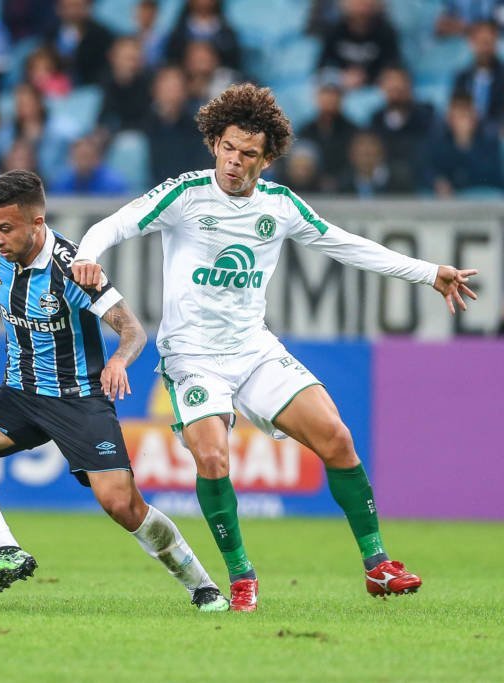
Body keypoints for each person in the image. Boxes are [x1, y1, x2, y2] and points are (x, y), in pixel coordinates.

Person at [70, 83, 477, 611]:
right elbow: (114, 223)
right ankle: (241, 577)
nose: (235, 162)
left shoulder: (280, 205)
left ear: (268, 158)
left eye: (249, 155)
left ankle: (378, 567)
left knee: (336, 437)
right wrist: (88, 256)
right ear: (214, 142)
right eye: (229, 149)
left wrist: (430, 273)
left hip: (254, 350)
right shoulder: (186, 195)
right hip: (192, 356)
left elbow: (347, 245)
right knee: (212, 455)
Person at [0, 169, 229, 611]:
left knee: (121, 504)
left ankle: (201, 584)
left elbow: (132, 329)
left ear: (37, 223)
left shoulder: (73, 268)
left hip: (78, 399)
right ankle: (5, 548)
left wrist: (119, 360)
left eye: (5, 228)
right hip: (20, 395)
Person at [431, 91, 504, 195]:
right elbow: (428, 171)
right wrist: (438, 182)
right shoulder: (437, 145)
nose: (464, 121)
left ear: (475, 117)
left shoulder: (491, 143)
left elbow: (491, 177)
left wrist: (465, 142)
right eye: (459, 116)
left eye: (467, 115)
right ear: (449, 119)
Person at [317, 0, 401, 89]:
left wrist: (367, 77)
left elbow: (392, 63)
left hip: (375, 87)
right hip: (341, 85)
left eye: (365, 4)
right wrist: (341, 76)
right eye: (357, 3)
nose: (361, 9)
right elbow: (323, 64)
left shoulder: (386, 32)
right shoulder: (334, 31)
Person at [451, 20, 504, 126]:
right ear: (472, 44)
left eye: (488, 42)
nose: (484, 49)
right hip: (468, 133)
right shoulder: (462, 77)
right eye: (480, 42)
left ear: (495, 44)